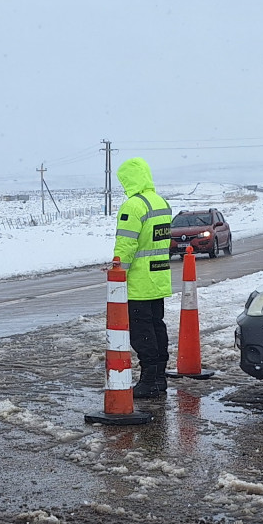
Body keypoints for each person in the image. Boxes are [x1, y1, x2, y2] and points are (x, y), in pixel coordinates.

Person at [112, 157, 174, 397]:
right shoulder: (161, 202)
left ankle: (149, 378)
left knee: (141, 331)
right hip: (159, 277)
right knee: (157, 326)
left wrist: (118, 271)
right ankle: (159, 376)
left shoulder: (133, 206)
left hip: (138, 281)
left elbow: (126, 244)